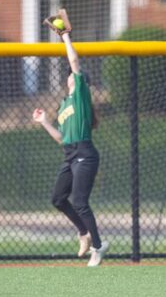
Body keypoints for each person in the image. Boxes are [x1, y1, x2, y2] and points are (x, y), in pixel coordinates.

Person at [32, 30, 110, 267]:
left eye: (75, 76)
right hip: (70, 155)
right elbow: (62, 138)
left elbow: (74, 61)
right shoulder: (65, 105)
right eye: (71, 76)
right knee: (58, 199)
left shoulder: (81, 96)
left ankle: (98, 246)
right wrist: (45, 122)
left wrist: (65, 36)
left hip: (85, 154)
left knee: (80, 202)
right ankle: (84, 233)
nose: (72, 77)